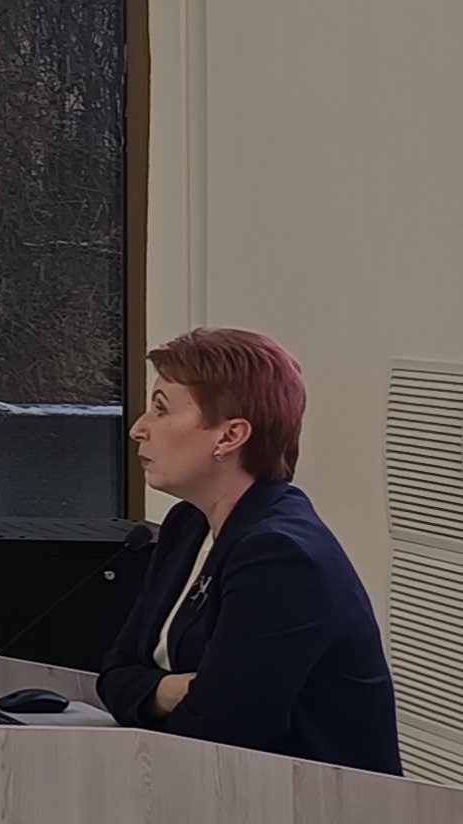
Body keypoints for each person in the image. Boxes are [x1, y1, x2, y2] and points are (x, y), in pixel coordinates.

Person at [98, 328, 401, 774]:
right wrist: (173, 690)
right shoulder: (188, 524)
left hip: (313, 806)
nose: (138, 429)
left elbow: (221, 731)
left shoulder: (280, 557)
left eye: (161, 410)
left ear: (229, 437)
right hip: (218, 789)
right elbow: (115, 672)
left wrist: (154, 694)